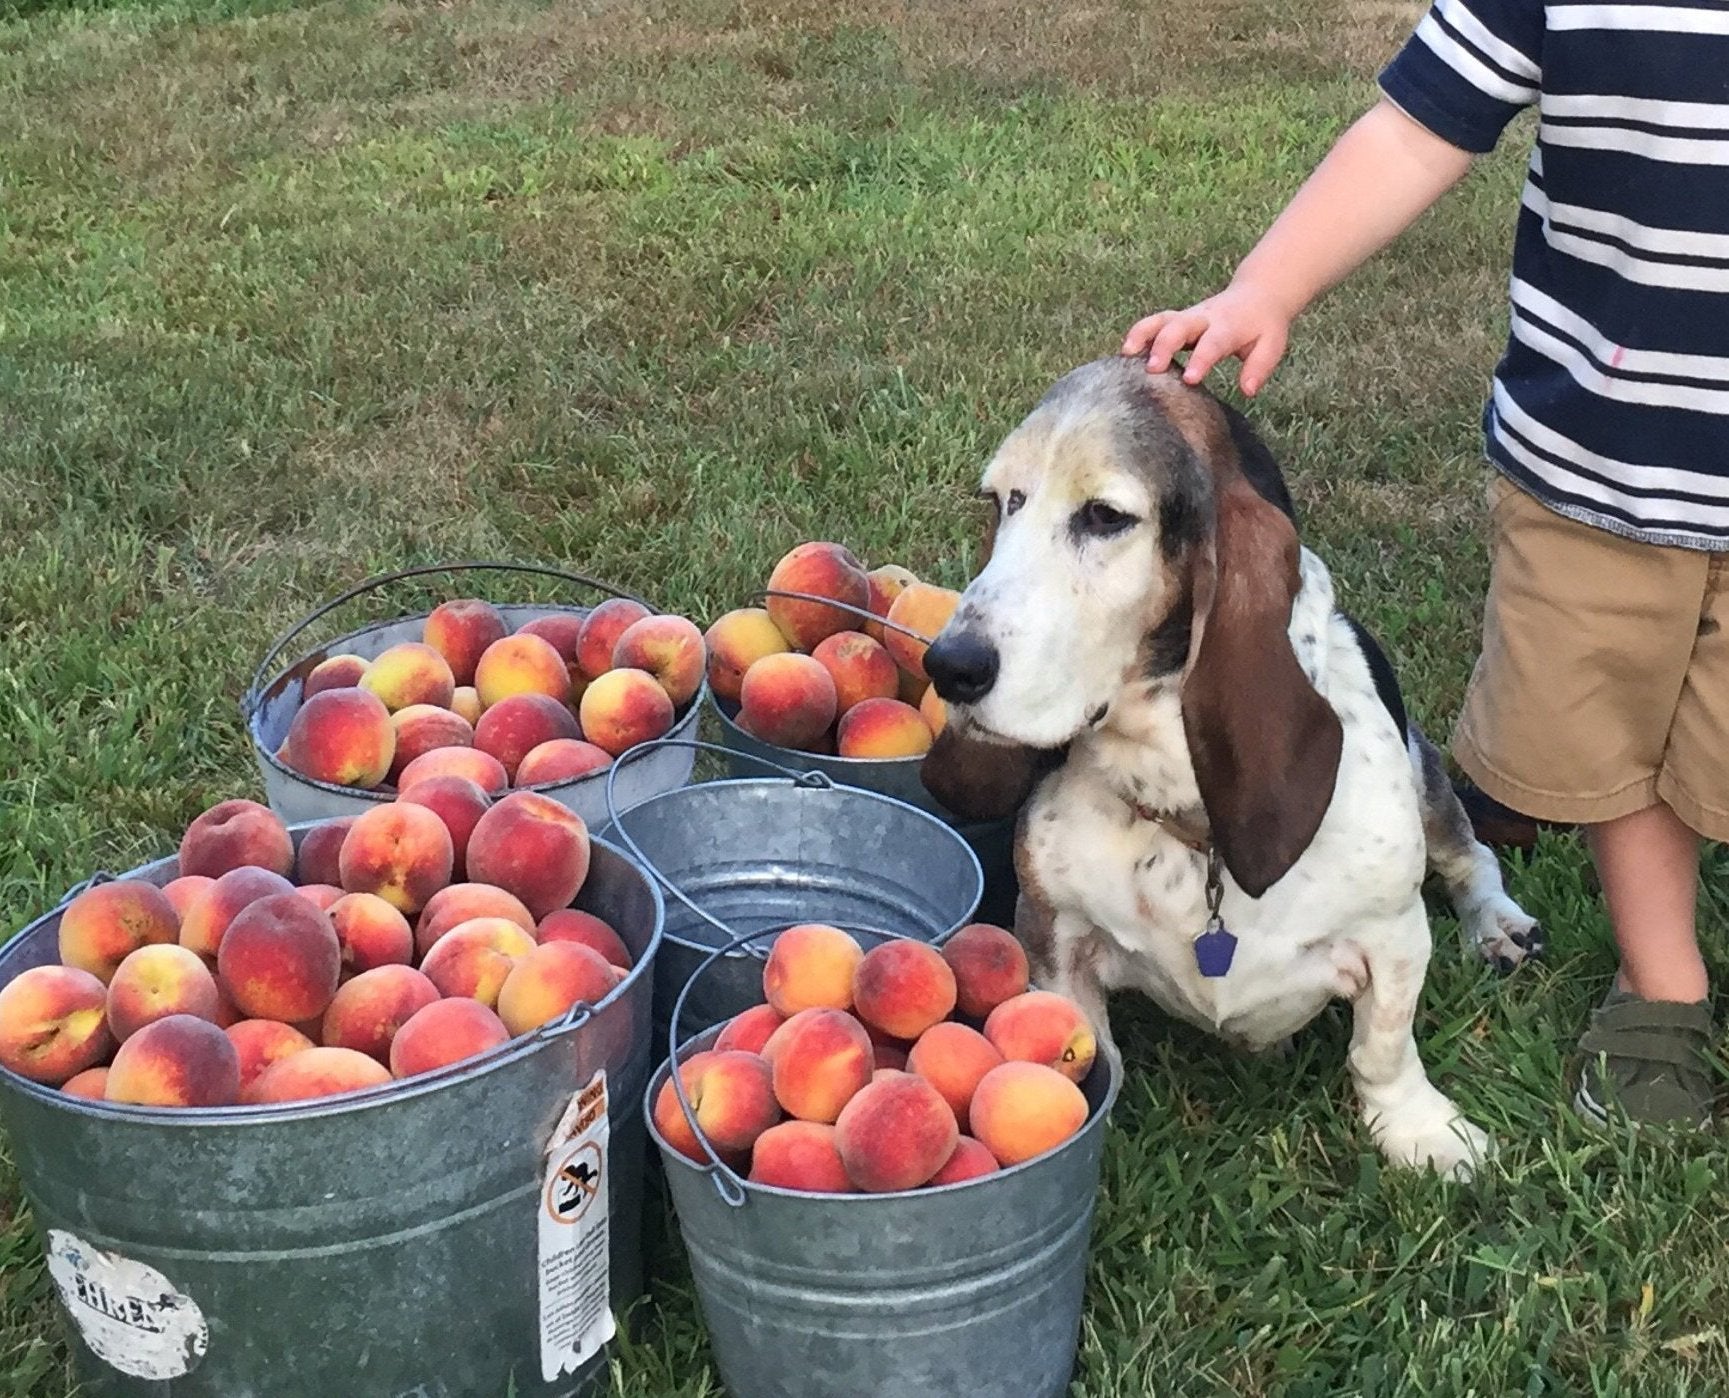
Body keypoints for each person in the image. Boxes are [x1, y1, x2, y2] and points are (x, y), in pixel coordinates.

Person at [1122, 5, 1728, 1125]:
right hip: (1596, 476)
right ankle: (1662, 988)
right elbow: (1413, 131)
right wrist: (1267, 287)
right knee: (1617, 744)